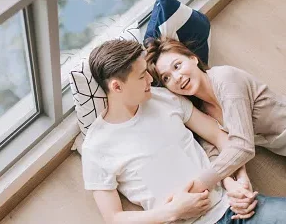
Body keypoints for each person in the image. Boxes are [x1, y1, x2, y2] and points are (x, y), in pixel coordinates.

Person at [82, 39, 286, 224]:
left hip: (235, 208)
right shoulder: (95, 147)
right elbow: (113, 218)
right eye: (143, 76)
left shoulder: (164, 99)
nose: (151, 81)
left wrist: (234, 181)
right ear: (117, 87)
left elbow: (220, 137)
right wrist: (172, 211)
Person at [145, 36, 286, 185]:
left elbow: (243, 145)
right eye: (166, 78)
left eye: (177, 66)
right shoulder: (201, 111)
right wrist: (232, 183)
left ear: (193, 58)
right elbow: (213, 154)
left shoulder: (226, 79)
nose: (177, 77)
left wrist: (200, 184)